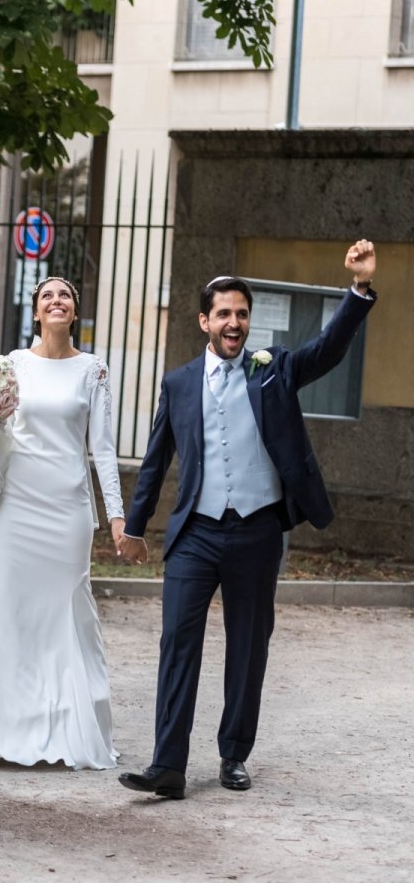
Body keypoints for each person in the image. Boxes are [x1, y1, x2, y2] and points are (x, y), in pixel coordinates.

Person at [117, 240, 377, 798]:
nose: (234, 323)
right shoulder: (179, 382)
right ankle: (168, 765)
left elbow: (329, 350)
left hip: (258, 530)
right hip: (196, 533)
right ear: (204, 321)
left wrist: (356, 291)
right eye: (224, 314)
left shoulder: (274, 369)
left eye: (242, 314)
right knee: (177, 642)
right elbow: (157, 456)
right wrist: (136, 526)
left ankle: (233, 755)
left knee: (248, 646)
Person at [0, 276, 125, 770]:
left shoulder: (93, 371)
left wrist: (118, 517)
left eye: (66, 296)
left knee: (64, 612)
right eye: (47, 296)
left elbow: (101, 449)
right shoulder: (10, 365)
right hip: (17, 506)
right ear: (36, 312)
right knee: (5, 611)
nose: (57, 301)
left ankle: (65, 725)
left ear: (75, 312)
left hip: (68, 510)